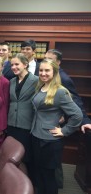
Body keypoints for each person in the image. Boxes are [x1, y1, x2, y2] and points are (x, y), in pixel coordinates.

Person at [31, 59, 82, 194]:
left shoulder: (60, 91)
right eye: (41, 70)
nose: (43, 73)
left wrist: (64, 131)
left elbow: (77, 115)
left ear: (54, 71)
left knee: (49, 178)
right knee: (39, 174)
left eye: (47, 70)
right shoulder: (40, 87)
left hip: (50, 141)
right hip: (36, 136)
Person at [45, 48, 91, 188]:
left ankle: (57, 187)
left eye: (50, 59)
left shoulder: (63, 78)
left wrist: (85, 121)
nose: (46, 62)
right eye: (45, 58)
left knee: (54, 162)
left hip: (56, 127)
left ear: (58, 62)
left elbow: (75, 101)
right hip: (47, 123)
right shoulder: (48, 74)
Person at [7, 53, 38, 180]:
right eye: (12, 65)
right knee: (11, 156)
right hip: (11, 123)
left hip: (26, 124)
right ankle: (12, 182)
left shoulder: (36, 80)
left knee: (25, 157)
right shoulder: (11, 81)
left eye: (17, 64)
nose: (14, 67)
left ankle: (25, 184)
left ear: (25, 64)